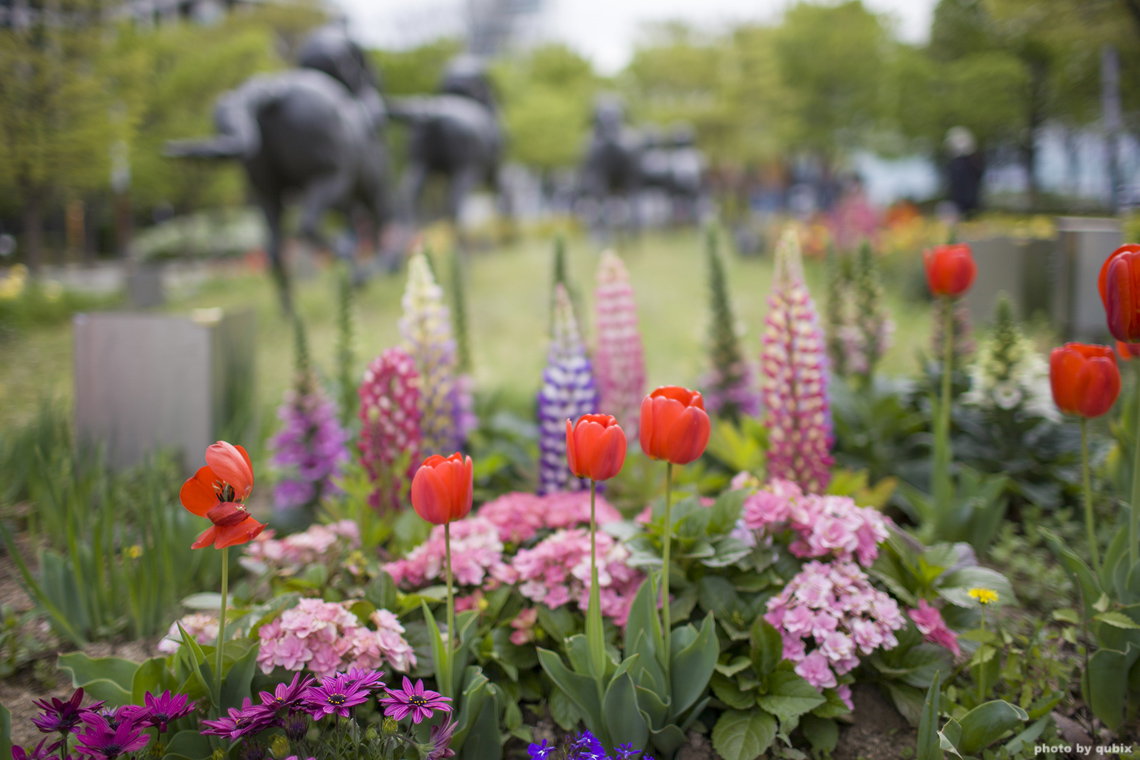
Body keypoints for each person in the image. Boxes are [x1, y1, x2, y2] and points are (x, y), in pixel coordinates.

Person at [945, 126, 984, 218]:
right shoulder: (954, 162)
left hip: (971, 196)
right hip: (959, 198)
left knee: (972, 213)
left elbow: (978, 175)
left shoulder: (973, 160)